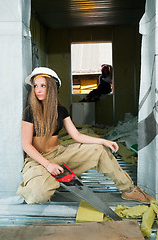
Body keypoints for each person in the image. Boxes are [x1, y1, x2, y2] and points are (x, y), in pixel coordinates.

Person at [17, 67, 155, 204]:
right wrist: (48, 165)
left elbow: (77, 135)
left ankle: (129, 190)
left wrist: (103, 141)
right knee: (37, 195)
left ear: (52, 88)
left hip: (59, 154)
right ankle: (52, 179)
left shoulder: (61, 110)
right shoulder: (30, 111)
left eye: (43, 86)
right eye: (35, 86)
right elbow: (26, 145)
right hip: (38, 160)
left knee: (99, 150)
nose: (38, 90)